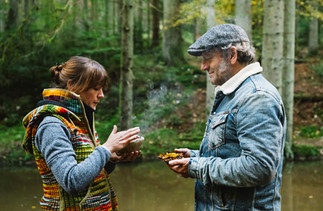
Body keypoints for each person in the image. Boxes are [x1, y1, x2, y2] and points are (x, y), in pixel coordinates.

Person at [168, 24, 286, 210]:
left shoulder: (256, 97)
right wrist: (195, 157)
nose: (203, 66)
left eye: (207, 58)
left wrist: (197, 167)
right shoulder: (233, 93)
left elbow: (260, 167)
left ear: (232, 55)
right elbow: (230, 152)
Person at [22, 56, 141, 210]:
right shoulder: (52, 125)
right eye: (96, 88)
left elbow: (90, 174)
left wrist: (111, 159)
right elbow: (71, 180)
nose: (101, 95)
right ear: (72, 86)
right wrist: (106, 149)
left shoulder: (79, 119)